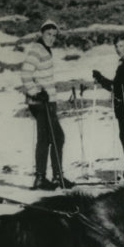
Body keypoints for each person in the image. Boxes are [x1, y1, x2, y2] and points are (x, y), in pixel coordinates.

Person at [20, 20, 74, 190]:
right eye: (48, 34)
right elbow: (25, 73)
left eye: (54, 35)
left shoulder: (45, 49)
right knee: (55, 137)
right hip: (41, 102)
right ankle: (49, 177)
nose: (51, 38)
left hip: (46, 101)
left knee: (50, 138)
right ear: (41, 33)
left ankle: (46, 177)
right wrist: (36, 91)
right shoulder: (37, 49)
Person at [92, 36, 124, 182]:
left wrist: (101, 79)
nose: (118, 49)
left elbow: (117, 87)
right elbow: (116, 87)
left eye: (121, 46)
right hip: (123, 108)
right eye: (116, 47)